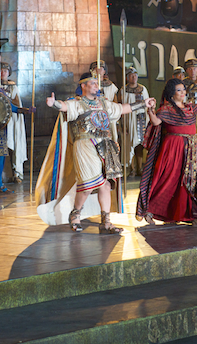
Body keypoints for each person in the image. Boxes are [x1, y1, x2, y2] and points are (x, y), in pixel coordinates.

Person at [41, 72, 155, 233]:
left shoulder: (104, 103)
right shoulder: (77, 103)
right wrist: (54, 103)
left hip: (104, 147)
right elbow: (65, 106)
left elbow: (122, 108)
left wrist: (144, 103)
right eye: (93, 83)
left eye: (97, 83)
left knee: (106, 185)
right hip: (85, 146)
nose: (97, 86)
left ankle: (106, 222)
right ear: (83, 85)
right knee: (87, 185)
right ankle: (75, 213)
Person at [136, 78, 197, 225]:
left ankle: (196, 215)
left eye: (183, 89)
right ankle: (151, 210)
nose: (183, 92)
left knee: (194, 181)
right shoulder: (166, 109)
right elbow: (156, 122)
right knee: (169, 180)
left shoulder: (189, 107)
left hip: (191, 149)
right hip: (173, 148)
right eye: (179, 90)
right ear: (172, 93)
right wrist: (150, 111)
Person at [0, 68, 33, 192]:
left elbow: (10, 107)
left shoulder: (1, 92)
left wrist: (25, 110)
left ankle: (0, 185)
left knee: (0, 155)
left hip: (0, 128)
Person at [0, 58, 28, 184]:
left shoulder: (12, 86)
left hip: (10, 121)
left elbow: (15, 105)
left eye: (5, 70)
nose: (3, 72)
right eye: (0, 70)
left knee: (11, 146)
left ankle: (16, 172)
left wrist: (23, 110)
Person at [120, 66, 149, 176]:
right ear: (127, 77)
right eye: (131, 75)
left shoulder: (143, 89)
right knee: (130, 144)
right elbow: (121, 106)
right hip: (129, 119)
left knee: (140, 145)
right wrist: (123, 124)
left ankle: (140, 167)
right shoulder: (123, 90)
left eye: (135, 75)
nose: (134, 77)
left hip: (141, 119)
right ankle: (132, 168)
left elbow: (147, 106)